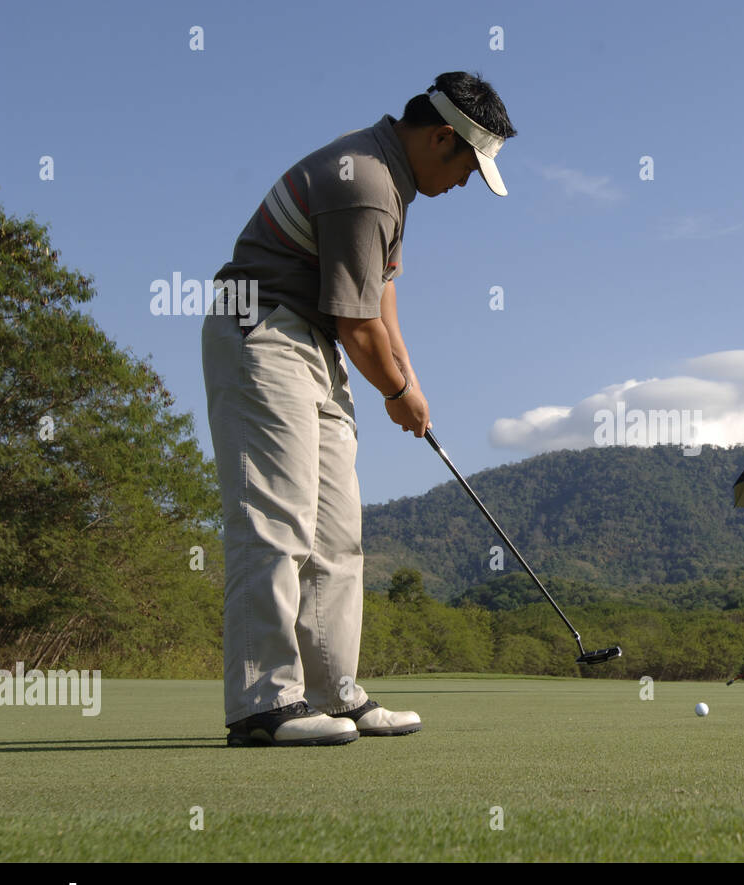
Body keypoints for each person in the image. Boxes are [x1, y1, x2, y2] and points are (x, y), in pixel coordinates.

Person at [201, 71, 517, 746]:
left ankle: (334, 694)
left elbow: (382, 295)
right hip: (261, 332)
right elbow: (356, 321)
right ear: (440, 138)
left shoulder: (394, 185)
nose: (467, 183)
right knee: (276, 521)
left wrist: (411, 380)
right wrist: (395, 393)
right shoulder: (367, 183)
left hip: (315, 340)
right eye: (469, 166)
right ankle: (262, 703)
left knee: (338, 534)